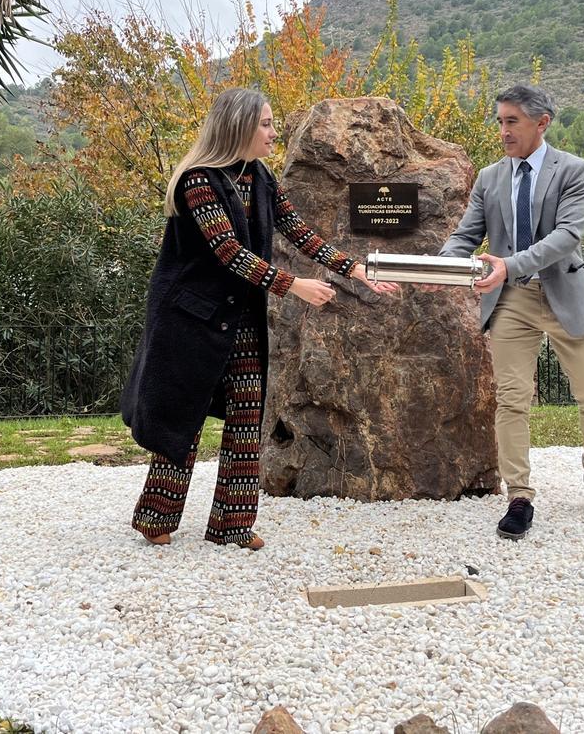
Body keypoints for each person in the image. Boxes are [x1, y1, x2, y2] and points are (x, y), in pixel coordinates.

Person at [120, 88, 399, 550]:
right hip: (188, 321)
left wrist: (356, 269)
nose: (274, 133)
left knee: (248, 419)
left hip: (241, 318)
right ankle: (155, 515)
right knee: (181, 420)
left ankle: (231, 526)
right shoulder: (198, 181)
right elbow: (229, 252)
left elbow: (299, 232)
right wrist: (295, 286)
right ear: (239, 127)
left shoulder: (260, 177)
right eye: (266, 124)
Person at [428, 83, 584, 539]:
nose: (502, 131)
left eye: (511, 121)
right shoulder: (489, 178)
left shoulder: (576, 170)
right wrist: (440, 266)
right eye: (499, 121)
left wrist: (508, 265)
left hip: (564, 295)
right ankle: (519, 495)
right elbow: (464, 236)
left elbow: (566, 237)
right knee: (512, 398)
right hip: (510, 300)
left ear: (542, 123)